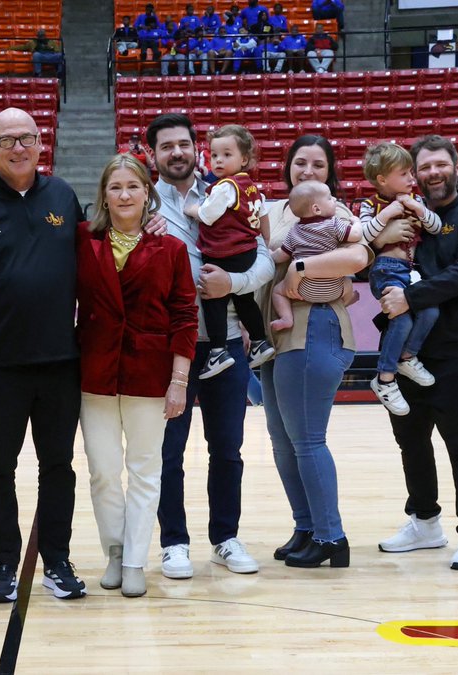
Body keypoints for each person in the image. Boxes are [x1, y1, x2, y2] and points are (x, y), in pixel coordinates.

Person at [0, 108, 88, 603]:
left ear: (40, 143)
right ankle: (5, 563)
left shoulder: (64, 197)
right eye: (7, 140)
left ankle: (58, 560)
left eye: (26, 138)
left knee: (58, 467)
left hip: (60, 363)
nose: (18, 147)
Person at [147, 113, 274, 579]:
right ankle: (173, 543)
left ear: (196, 148)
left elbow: (263, 256)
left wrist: (233, 282)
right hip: (169, 347)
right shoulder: (140, 202)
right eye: (166, 146)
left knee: (227, 448)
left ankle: (225, 537)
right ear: (152, 155)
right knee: (168, 453)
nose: (177, 152)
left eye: (184, 143)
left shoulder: (230, 190)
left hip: (225, 343)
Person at [376, 134, 458, 571]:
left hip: (456, 349)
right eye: (423, 167)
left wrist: (412, 298)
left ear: (456, 167)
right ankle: (425, 521)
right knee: (410, 440)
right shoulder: (405, 215)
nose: (432, 173)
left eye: (439, 165)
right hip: (404, 348)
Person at [77, 154, 197, 598]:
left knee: (145, 471)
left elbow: (185, 315)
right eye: (115, 187)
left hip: (152, 372)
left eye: (133, 186)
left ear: (148, 192)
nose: (124, 195)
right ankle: (113, 550)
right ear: (103, 196)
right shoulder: (81, 240)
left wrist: (179, 380)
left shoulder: (172, 248)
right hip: (96, 371)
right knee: (103, 471)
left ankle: (134, 561)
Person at [259, 135, 378, 568]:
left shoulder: (336, 212)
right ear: (288, 167)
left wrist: (300, 267)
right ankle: (307, 526)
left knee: (307, 439)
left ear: (330, 174)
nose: (308, 172)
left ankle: (332, 537)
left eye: (318, 165)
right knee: (283, 441)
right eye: (300, 164)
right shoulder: (274, 210)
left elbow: (357, 258)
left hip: (315, 323)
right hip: (276, 335)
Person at [182, 124, 274, 379]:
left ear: (244, 159)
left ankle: (218, 351)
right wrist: (261, 243)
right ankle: (259, 342)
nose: (218, 160)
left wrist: (192, 208)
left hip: (224, 253)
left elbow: (208, 216)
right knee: (245, 298)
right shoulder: (252, 186)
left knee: (213, 299)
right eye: (214, 155)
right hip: (247, 251)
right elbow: (263, 219)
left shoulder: (225, 187)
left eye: (226, 154)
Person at [358, 142, 443, 416]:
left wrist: (418, 210)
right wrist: (387, 217)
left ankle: (407, 357)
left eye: (411, 173)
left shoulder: (415, 200)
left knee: (430, 310)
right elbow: (362, 237)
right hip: (385, 269)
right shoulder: (370, 205)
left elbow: (436, 226)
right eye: (404, 173)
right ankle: (384, 378)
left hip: (410, 269)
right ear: (383, 179)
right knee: (402, 318)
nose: (412, 178)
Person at [268, 180, 361, 332]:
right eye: (330, 198)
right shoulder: (333, 224)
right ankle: (347, 299)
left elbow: (281, 256)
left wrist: (270, 255)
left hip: (302, 289)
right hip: (333, 288)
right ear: (316, 209)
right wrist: (356, 222)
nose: (335, 200)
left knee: (278, 291)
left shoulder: (294, 231)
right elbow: (356, 235)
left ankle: (286, 318)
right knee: (348, 283)